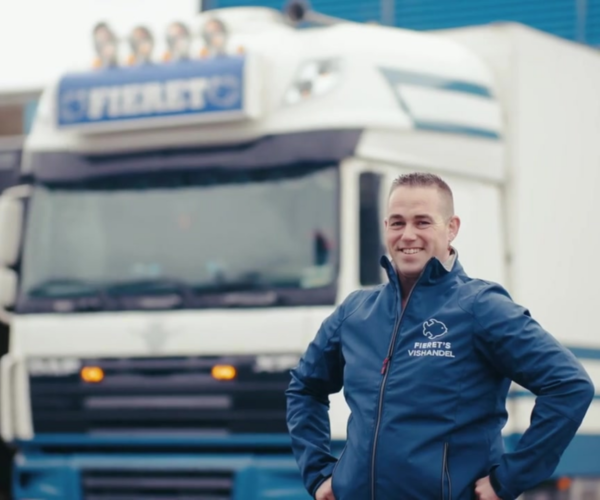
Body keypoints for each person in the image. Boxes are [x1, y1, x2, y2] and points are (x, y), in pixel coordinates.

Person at [285, 172, 595, 500]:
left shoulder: (479, 307)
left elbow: (569, 385)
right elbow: (304, 388)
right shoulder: (355, 312)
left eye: (422, 222)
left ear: (451, 228)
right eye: (397, 222)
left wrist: (508, 479)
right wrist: (318, 473)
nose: (408, 235)